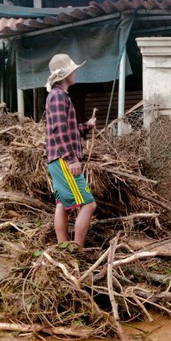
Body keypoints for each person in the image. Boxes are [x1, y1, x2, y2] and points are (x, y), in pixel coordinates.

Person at [44, 52, 97, 249]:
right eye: (73, 71)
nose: (75, 74)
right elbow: (59, 130)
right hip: (63, 159)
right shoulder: (58, 97)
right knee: (89, 204)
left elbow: (68, 129)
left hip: (57, 159)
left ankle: (63, 248)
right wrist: (72, 158)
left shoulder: (58, 96)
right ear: (65, 75)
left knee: (63, 205)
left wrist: (87, 126)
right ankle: (76, 249)